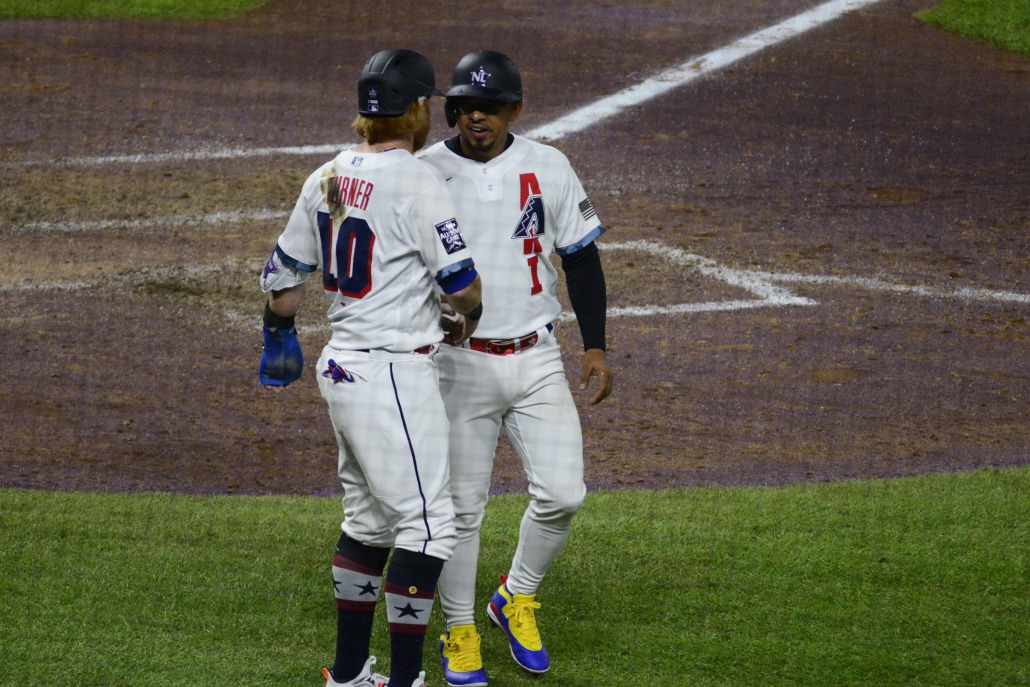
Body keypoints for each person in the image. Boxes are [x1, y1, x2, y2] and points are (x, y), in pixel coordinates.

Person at [258, 48, 484, 687]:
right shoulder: (418, 181)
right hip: (391, 374)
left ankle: (352, 673)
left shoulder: (325, 175)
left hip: (341, 369)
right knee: (431, 524)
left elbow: (282, 281)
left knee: (369, 520)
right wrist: (470, 313)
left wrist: (277, 334)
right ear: (415, 110)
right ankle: (409, 679)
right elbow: (462, 286)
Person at [418, 50, 613, 686]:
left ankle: (514, 597)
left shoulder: (548, 166)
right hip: (458, 366)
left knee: (563, 493)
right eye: (469, 106)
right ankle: (460, 629)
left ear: (515, 111)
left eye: (493, 107)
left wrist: (595, 344)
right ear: (451, 108)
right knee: (462, 509)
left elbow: (580, 258)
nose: (479, 117)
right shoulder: (424, 172)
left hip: (535, 358)